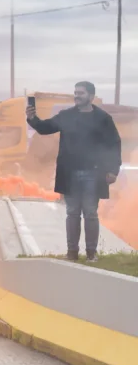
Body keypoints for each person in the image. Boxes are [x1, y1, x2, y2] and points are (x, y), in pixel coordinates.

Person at [26, 82, 121, 261]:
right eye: (75, 92)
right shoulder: (66, 116)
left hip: (94, 174)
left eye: (81, 93)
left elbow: (114, 144)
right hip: (70, 174)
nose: (77, 96)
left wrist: (113, 169)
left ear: (91, 96)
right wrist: (33, 119)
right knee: (72, 214)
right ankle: (72, 253)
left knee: (91, 214)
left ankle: (91, 254)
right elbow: (45, 128)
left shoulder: (103, 118)